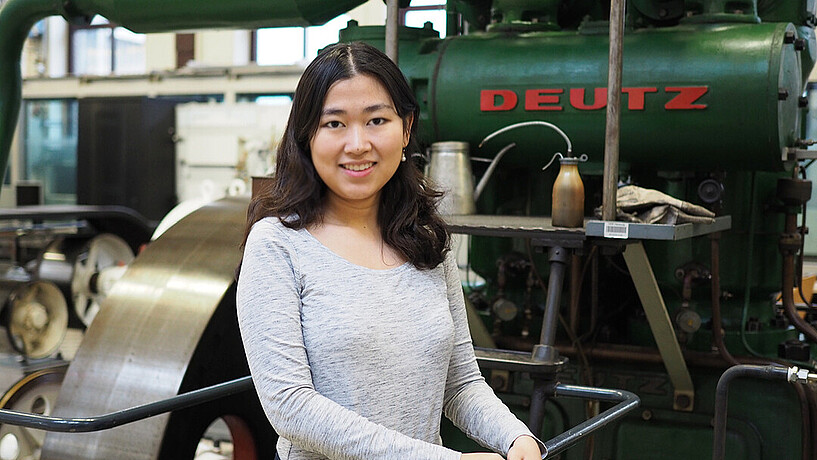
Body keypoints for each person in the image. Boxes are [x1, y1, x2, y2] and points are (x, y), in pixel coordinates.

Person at [236, 41, 545, 460]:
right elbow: (291, 407)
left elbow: (460, 382)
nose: (358, 143)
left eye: (377, 120)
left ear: (406, 128)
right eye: (334, 124)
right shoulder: (277, 244)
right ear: (306, 135)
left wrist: (516, 438)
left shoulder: (425, 239)